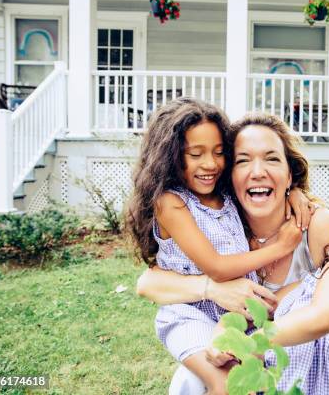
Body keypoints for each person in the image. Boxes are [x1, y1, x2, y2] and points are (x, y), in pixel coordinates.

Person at [138, 113, 329, 394]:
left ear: (290, 174)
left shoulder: (318, 225)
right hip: (243, 353)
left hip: (316, 356)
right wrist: (213, 290)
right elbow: (147, 283)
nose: (257, 171)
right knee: (192, 379)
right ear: (230, 175)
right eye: (242, 160)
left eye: (272, 159)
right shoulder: (222, 224)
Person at [125, 99, 313, 394]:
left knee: (247, 382)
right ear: (171, 157)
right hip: (191, 317)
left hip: (238, 320)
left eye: (219, 153)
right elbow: (214, 268)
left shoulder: (227, 196)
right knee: (227, 383)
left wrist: (296, 194)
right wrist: (280, 247)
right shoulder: (174, 203)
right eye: (195, 154)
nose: (210, 164)